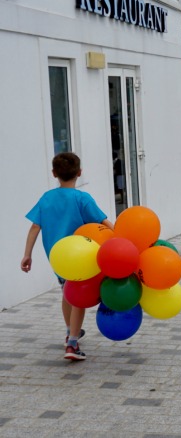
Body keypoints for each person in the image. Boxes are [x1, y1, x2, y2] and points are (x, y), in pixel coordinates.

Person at [21, 153, 113, 361]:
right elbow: (104, 222)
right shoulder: (82, 198)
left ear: (54, 174)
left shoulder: (47, 198)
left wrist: (27, 255)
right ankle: (72, 343)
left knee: (68, 293)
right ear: (79, 173)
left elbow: (35, 226)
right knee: (78, 297)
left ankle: (70, 330)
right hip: (79, 256)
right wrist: (121, 241)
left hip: (56, 258)